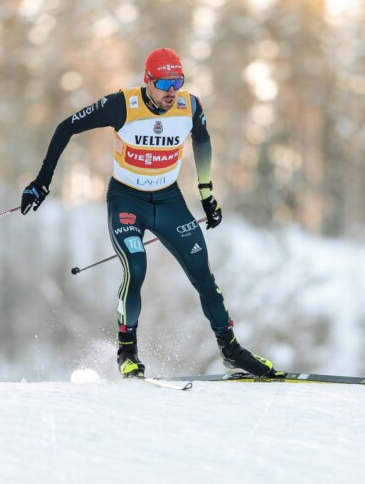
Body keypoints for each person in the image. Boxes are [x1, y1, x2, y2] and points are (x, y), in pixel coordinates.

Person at [20, 48, 281, 379]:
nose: (172, 91)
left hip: (169, 201)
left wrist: (206, 193)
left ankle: (230, 350)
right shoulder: (122, 105)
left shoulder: (189, 106)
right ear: (147, 80)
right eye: (164, 83)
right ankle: (127, 352)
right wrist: (42, 181)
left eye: (178, 82)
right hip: (127, 201)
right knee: (136, 267)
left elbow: (202, 140)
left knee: (203, 275)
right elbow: (65, 127)